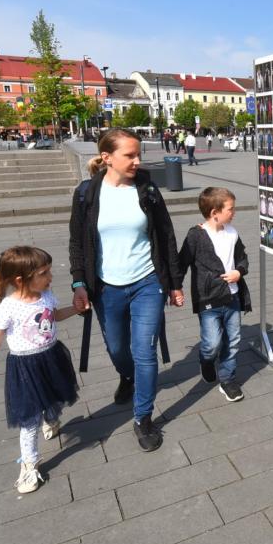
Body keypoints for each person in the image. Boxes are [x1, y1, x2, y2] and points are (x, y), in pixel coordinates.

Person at [69, 129, 184, 452]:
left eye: (138, 154)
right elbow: (77, 242)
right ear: (107, 158)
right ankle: (127, 376)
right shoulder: (86, 194)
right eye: (129, 155)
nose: (137, 160)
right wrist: (79, 283)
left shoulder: (147, 190)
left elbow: (167, 236)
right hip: (106, 288)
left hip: (147, 283)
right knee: (119, 350)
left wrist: (174, 284)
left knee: (144, 352)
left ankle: (143, 417)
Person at [0, 246, 83, 493]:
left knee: (54, 398)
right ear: (20, 280)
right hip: (24, 367)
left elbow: (54, 316)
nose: (50, 277)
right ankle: (29, 464)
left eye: (49, 271)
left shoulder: (46, 295)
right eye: (44, 273)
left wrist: (76, 310)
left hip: (51, 357)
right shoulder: (7, 308)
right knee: (29, 420)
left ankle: (52, 419)